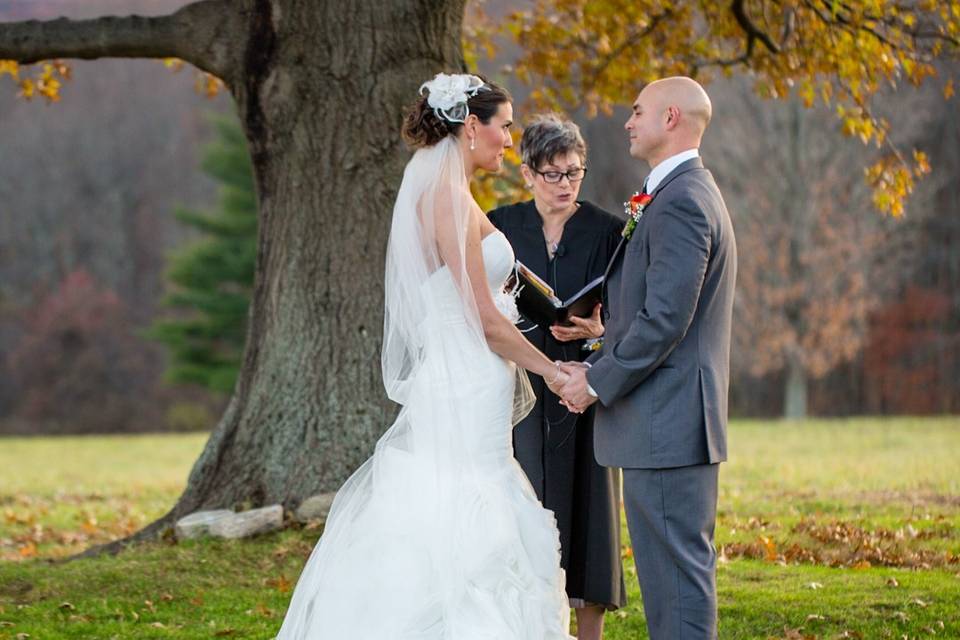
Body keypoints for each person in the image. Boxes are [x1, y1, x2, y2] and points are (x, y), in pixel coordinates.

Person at [275, 73, 575, 639]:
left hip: (465, 377)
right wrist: (554, 372)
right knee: (462, 509)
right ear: (470, 127)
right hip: (466, 375)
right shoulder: (446, 200)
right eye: (504, 127)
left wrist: (559, 310)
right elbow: (484, 319)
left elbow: (503, 275)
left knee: (469, 497)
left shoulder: (456, 197)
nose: (510, 141)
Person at [559, 76, 737, 640]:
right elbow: (659, 312)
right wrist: (602, 339)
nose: (629, 122)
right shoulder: (674, 194)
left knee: (677, 587)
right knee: (670, 583)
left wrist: (596, 383)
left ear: (671, 119)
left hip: (669, 424)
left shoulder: (682, 200)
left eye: (638, 112)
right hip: (666, 422)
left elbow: (666, 322)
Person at [487, 114, 626, 640]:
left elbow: (627, 314)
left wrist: (598, 327)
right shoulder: (501, 225)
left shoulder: (609, 230)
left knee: (589, 510)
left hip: (582, 385)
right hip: (521, 382)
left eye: (574, 172)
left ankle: (588, 632)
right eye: (553, 174)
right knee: (525, 502)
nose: (566, 184)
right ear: (527, 174)